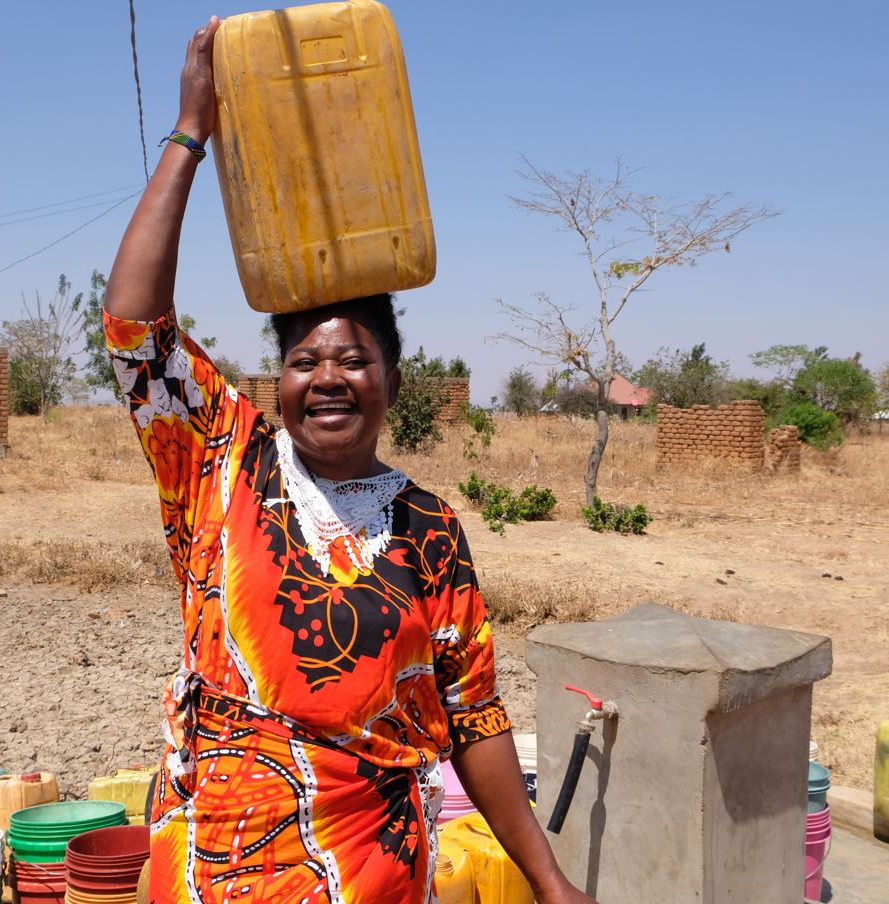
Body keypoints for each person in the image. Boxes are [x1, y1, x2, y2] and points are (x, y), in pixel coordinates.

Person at [103, 17, 596, 904]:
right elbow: (135, 330)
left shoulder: (430, 530)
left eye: (354, 360)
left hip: (375, 874)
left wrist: (549, 880)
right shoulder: (220, 461)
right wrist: (191, 133)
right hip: (219, 867)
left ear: (392, 383)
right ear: (277, 380)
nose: (329, 378)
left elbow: (473, 717)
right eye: (304, 361)